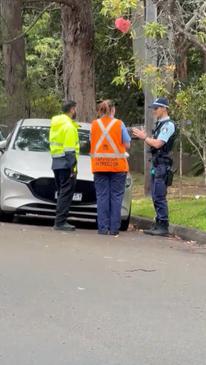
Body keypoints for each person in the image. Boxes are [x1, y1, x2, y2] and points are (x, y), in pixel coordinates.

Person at [132, 97, 176, 236]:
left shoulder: (168, 125)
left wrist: (144, 137)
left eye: (156, 108)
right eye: (153, 109)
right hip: (157, 163)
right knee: (155, 195)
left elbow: (158, 144)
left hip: (162, 165)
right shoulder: (159, 124)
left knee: (159, 195)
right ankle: (158, 224)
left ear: (164, 108)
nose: (154, 111)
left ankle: (163, 225)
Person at [90, 99, 131, 236]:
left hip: (99, 166)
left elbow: (92, 142)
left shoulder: (94, 125)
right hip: (118, 167)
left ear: (100, 111)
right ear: (113, 110)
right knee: (116, 197)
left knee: (102, 197)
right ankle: (114, 229)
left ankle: (102, 228)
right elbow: (127, 144)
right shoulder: (119, 124)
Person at [49, 101, 80, 231]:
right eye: (75, 109)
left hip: (56, 163)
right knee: (66, 194)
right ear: (72, 110)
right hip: (66, 164)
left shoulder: (56, 125)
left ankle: (59, 220)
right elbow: (69, 150)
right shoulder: (69, 126)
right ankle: (60, 222)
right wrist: (73, 167)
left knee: (62, 193)